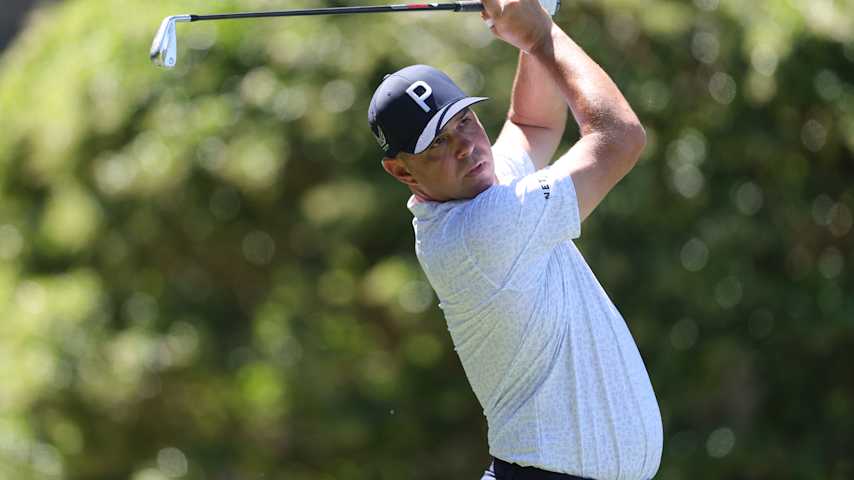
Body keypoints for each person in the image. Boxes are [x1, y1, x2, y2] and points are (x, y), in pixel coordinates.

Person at [367, 0, 663, 478]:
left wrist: (538, 10)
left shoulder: (473, 188)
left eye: (464, 120)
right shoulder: (483, 229)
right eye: (436, 142)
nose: (464, 145)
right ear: (402, 171)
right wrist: (540, 34)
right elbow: (619, 137)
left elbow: (533, 124)